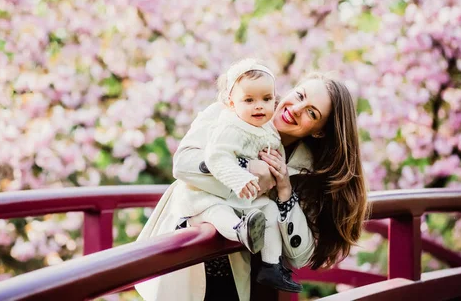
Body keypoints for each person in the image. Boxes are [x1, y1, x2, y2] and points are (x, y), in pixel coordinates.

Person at [136, 69, 369, 301]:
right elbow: (183, 165)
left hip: (235, 276)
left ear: (318, 132)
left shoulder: (306, 169)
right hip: (187, 251)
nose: (296, 109)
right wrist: (244, 168)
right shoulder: (227, 112)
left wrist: (283, 190)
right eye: (300, 96)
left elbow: (300, 256)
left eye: (311, 113)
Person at [174, 59, 302, 293]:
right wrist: (242, 174)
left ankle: (271, 265)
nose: (259, 106)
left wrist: (280, 179)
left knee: (271, 211)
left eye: (266, 99)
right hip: (210, 197)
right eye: (249, 100)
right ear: (232, 104)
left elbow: (276, 157)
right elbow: (216, 157)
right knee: (217, 212)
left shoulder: (268, 129)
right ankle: (239, 230)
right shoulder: (230, 125)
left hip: (245, 199)